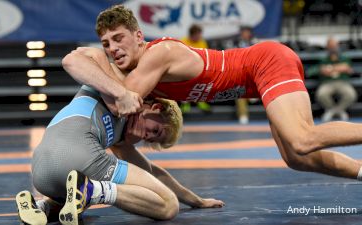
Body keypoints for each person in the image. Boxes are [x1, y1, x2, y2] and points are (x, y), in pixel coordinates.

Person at [63, 5, 362, 185]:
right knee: (296, 158)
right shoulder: (138, 74)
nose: (113, 49)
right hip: (255, 82)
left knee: (302, 138)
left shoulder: (157, 55)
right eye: (106, 44)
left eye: (119, 39)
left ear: (139, 36)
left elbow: (118, 103)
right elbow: (74, 59)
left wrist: (105, 75)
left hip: (265, 62)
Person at [16, 85, 224, 225]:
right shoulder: (117, 89)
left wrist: (197, 201)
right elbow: (83, 60)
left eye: (150, 139)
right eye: (155, 130)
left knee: (75, 201)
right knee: (169, 206)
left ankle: (40, 208)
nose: (146, 135)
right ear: (155, 107)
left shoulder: (120, 138)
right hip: (80, 154)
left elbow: (152, 173)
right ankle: (95, 190)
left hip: (40, 171)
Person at [315, 37, 357, 122]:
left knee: (351, 94)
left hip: (342, 82)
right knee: (321, 94)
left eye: (334, 46)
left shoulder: (344, 57)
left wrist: (330, 68)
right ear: (327, 47)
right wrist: (339, 68)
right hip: (327, 83)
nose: (333, 48)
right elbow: (320, 70)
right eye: (330, 46)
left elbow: (346, 67)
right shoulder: (323, 59)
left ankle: (336, 111)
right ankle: (333, 110)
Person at [179, 24, 211, 114]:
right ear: (192, 35)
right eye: (198, 35)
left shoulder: (202, 42)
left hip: (199, 68)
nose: (200, 37)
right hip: (184, 68)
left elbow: (206, 57)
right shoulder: (183, 42)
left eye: (200, 34)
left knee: (206, 78)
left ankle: (201, 102)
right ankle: (185, 103)